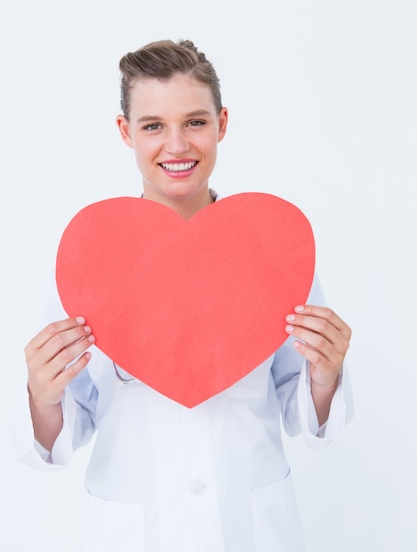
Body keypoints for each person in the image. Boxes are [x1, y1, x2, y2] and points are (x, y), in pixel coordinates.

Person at [15, 39, 353, 552]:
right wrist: (42, 394)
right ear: (126, 132)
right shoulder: (86, 262)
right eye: (153, 126)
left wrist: (325, 377)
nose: (176, 145)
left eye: (194, 122)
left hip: (249, 529)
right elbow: (66, 428)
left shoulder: (275, 253)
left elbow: (302, 410)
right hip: (134, 531)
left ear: (221, 124)